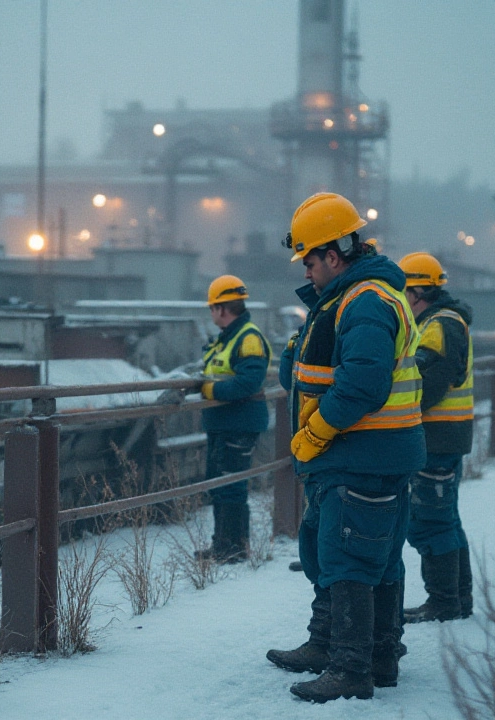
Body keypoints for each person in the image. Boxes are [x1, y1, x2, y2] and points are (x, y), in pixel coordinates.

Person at [265, 193, 425, 703]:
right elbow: (305, 372)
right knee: (350, 552)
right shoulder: (346, 300)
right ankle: (363, 651)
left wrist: (316, 433)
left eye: (309, 260)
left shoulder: (367, 302)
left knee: (353, 558)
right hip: (363, 456)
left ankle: (352, 669)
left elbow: (363, 383)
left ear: (334, 255)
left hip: (361, 454)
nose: (306, 271)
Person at [397, 252, 474, 623]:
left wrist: (394, 406)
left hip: (437, 437)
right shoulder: (441, 322)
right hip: (446, 435)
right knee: (447, 519)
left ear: (417, 291)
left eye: (403, 291)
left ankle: (444, 602)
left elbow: (429, 384)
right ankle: (458, 600)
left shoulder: (438, 326)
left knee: (431, 521)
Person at [195, 275, 270, 564]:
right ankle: (223, 545)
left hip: (238, 424)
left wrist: (209, 389)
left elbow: (248, 383)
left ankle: (234, 549)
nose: (212, 313)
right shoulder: (228, 338)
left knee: (231, 486)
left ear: (221, 309)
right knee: (219, 484)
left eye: (212, 308)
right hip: (223, 423)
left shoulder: (248, 338)